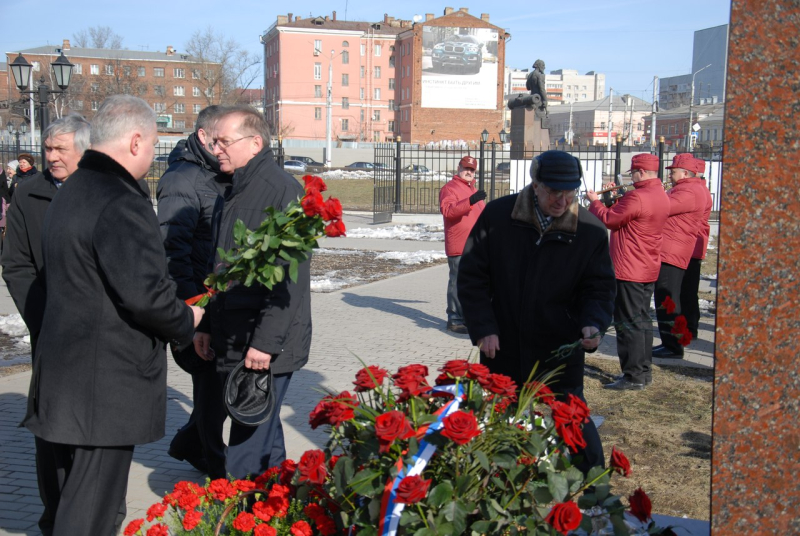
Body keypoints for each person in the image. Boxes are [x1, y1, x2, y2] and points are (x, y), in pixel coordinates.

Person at [22, 95, 205, 536]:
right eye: (154, 144)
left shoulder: (72, 189)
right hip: (104, 385)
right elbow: (144, 295)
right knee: (91, 512)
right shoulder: (120, 198)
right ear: (136, 140)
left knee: (69, 498)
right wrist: (188, 320)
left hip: (67, 374)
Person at [458, 150, 616, 472]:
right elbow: (472, 276)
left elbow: (598, 288)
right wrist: (483, 326)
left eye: (569, 191)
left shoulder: (590, 231)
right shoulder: (498, 216)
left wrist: (592, 323)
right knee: (499, 424)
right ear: (535, 184)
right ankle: (498, 482)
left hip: (559, 347)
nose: (562, 200)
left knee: (574, 422)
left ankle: (592, 489)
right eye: (554, 191)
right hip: (504, 344)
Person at [194, 105, 311, 479]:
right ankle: (279, 506)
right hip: (233, 335)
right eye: (213, 142)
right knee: (263, 433)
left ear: (255, 142)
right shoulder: (229, 190)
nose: (217, 149)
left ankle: (237, 518)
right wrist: (207, 324)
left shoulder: (283, 192)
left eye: (224, 141)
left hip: (263, 346)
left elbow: (291, 282)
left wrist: (265, 342)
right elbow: (220, 270)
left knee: (245, 450)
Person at [157, 105, 229, 479]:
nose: (225, 147)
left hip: (218, 300)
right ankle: (215, 465)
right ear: (202, 136)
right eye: (220, 140)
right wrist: (192, 306)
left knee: (219, 388)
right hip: (197, 304)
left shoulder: (218, 175)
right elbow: (172, 250)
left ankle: (191, 443)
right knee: (213, 388)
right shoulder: (182, 180)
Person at [3, 113, 91, 356]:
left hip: (105, 335)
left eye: (60, 149)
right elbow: (16, 264)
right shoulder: (27, 195)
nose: (51, 157)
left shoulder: (113, 190)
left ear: (86, 151)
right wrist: (45, 321)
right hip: (50, 332)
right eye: (48, 148)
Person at [586, 154, 669, 390]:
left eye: (632, 173)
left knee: (627, 322)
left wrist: (595, 201)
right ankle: (643, 372)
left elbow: (610, 220)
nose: (630, 177)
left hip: (629, 267)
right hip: (647, 264)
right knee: (642, 320)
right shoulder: (659, 195)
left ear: (641, 173)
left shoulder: (637, 197)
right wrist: (614, 198)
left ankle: (632, 376)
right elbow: (629, 217)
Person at [652, 153, 712, 358]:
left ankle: (673, 344)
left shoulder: (688, 190)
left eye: (674, 171)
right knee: (681, 294)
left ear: (686, 173)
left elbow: (662, 207)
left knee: (669, 296)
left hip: (675, 249)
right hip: (682, 247)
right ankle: (682, 335)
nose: (670, 174)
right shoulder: (693, 188)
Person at [439, 155, 486, 334]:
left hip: (475, 245)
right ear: (459, 168)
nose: (469, 172)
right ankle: (455, 319)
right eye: (466, 168)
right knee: (457, 281)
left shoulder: (473, 191)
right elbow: (448, 211)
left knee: (470, 283)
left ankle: (466, 317)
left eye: (472, 170)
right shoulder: (449, 189)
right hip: (459, 243)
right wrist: (470, 202)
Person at [678, 157, 713, 339]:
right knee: (688, 290)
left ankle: (690, 327)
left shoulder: (696, 191)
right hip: (694, 244)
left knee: (687, 290)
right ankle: (691, 325)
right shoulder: (701, 189)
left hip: (692, 245)